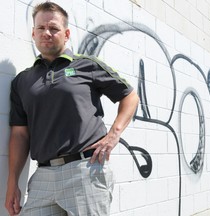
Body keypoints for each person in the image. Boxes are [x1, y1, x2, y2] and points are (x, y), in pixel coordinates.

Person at [5, 1, 139, 216]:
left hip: (85, 170)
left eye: (54, 28)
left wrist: (114, 135)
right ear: (33, 33)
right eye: (41, 28)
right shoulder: (22, 81)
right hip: (43, 175)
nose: (46, 33)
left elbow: (130, 96)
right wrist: (12, 183)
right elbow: (20, 134)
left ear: (66, 34)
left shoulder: (87, 65)